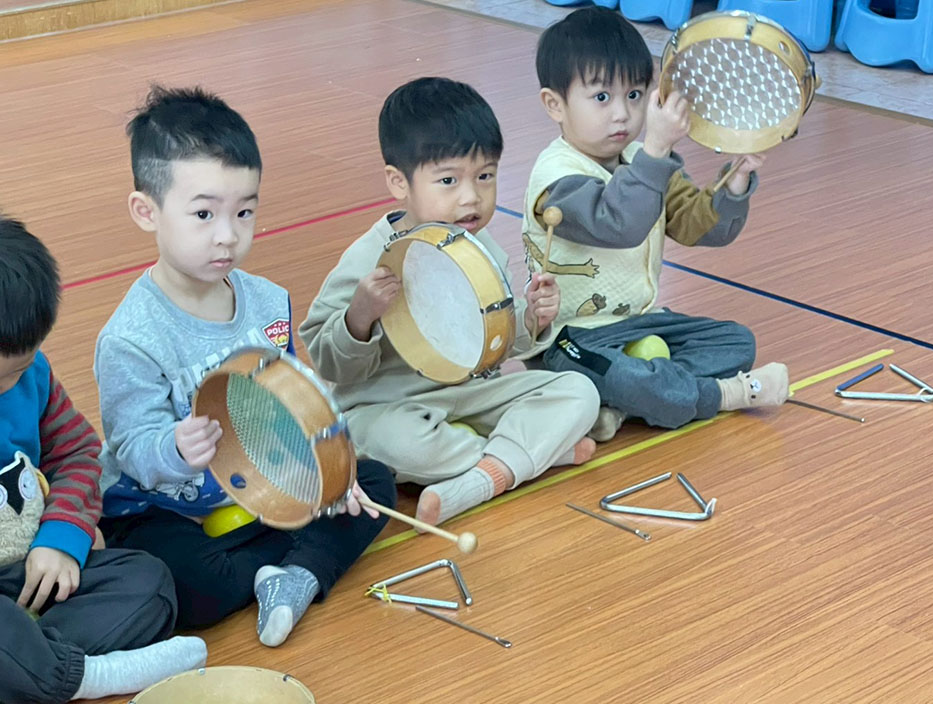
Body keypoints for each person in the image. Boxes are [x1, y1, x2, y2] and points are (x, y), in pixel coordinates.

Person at [95, 86, 396, 647]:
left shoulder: (267, 302)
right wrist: (174, 448)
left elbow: (294, 402)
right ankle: (290, 565)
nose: (228, 235)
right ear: (147, 211)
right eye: (203, 214)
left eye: (244, 212)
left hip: (264, 486)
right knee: (178, 586)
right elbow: (132, 445)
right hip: (166, 510)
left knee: (373, 482)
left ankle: (295, 577)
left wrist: (329, 468)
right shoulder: (130, 338)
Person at [301, 77, 600, 526]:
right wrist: (359, 316)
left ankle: (484, 473)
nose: (470, 197)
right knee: (389, 441)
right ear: (399, 183)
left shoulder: (479, 247)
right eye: (448, 180)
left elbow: (495, 344)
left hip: (470, 394)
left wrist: (531, 319)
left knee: (579, 391)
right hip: (389, 407)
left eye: (485, 176)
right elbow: (326, 361)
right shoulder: (369, 257)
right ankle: (530, 455)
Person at [522, 7, 789, 441]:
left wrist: (737, 180)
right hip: (572, 340)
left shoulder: (642, 161)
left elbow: (703, 227)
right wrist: (657, 148)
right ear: (555, 104)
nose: (622, 114)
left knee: (737, 341)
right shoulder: (555, 180)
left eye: (634, 95)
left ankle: (622, 405)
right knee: (629, 377)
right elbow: (620, 224)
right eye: (601, 98)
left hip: (640, 324)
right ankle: (723, 394)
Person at [0, 214, 205, 703]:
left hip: (27, 576)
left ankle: (26, 666)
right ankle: (77, 676)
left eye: (17, 370)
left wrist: (62, 537)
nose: (6, 386)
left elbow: (76, 454)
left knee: (149, 582)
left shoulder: (36, 377)